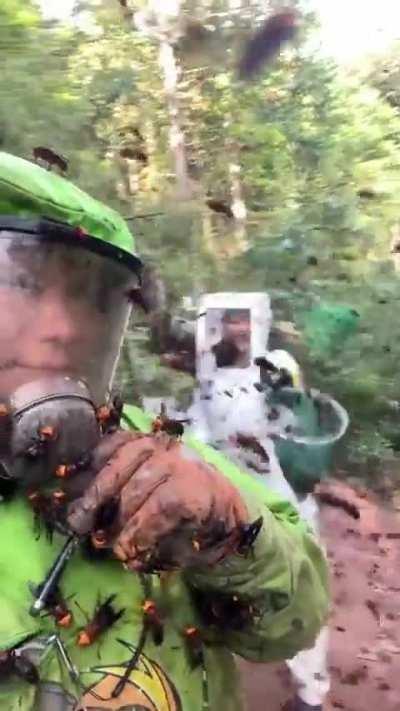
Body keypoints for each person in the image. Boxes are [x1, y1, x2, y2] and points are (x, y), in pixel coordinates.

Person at [0, 152, 328, 711]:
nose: (64, 326)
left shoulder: (151, 447)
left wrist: (229, 529)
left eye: (88, 296)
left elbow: (296, 620)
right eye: (27, 282)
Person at [187, 301, 340, 711]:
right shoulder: (208, 379)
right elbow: (196, 437)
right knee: (219, 594)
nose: (237, 327)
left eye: (243, 319)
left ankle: (310, 694)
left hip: (285, 508)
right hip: (231, 510)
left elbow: (297, 426)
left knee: (297, 593)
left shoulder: (277, 365)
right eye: (228, 319)